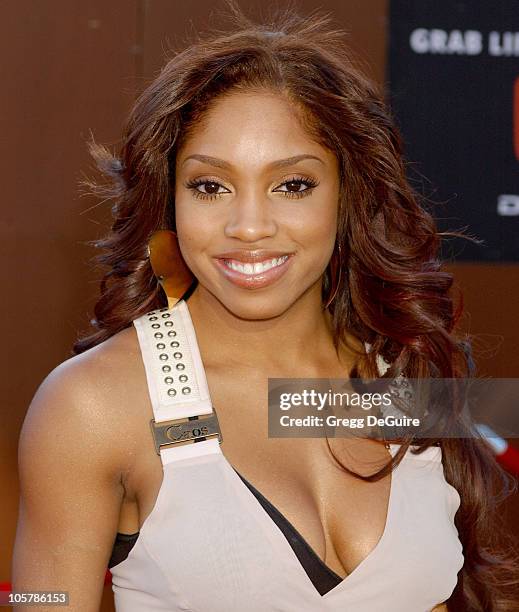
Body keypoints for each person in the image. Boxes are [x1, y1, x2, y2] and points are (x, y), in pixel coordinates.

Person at [12, 2, 519, 610]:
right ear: (169, 199)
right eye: (210, 186)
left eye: (293, 185)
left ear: (348, 196)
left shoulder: (402, 374)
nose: (249, 226)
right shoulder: (94, 405)